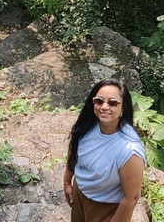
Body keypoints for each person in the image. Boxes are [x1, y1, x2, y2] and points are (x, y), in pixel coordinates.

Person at [62, 79, 146, 222]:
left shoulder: (129, 150)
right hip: (80, 194)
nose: (104, 107)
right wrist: (67, 182)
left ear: (123, 107)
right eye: (99, 101)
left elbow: (131, 197)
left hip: (105, 207)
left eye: (113, 103)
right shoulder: (87, 126)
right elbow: (75, 152)